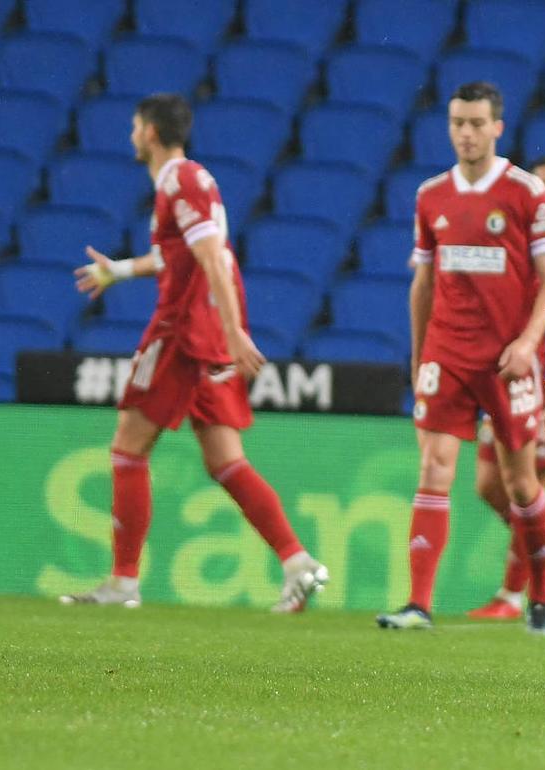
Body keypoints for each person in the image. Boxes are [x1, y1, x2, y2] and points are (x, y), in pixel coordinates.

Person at [62, 93, 328, 612]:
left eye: (135, 126)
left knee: (128, 447)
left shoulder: (180, 180)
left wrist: (233, 331)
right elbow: (179, 254)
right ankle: (298, 563)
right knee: (225, 459)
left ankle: (123, 583)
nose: (132, 135)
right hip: (206, 330)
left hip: (184, 330)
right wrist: (119, 270)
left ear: (151, 132)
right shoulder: (188, 182)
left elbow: (212, 256)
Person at [375, 82, 545, 635]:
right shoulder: (431, 195)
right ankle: (418, 604)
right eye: (458, 123)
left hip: (506, 359)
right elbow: (423, 283)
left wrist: (527, 343)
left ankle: (542, 592)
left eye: (477, 123)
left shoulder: (525, 192)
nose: (467, 133)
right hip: (448, 352)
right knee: (434, 466)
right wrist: (420, 357)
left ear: (497, 127)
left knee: (519, 484)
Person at [468, 157, 545, 621]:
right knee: (489, 486)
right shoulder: (518, 241)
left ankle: (515, 595)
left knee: (527, 485)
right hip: (511, 375)